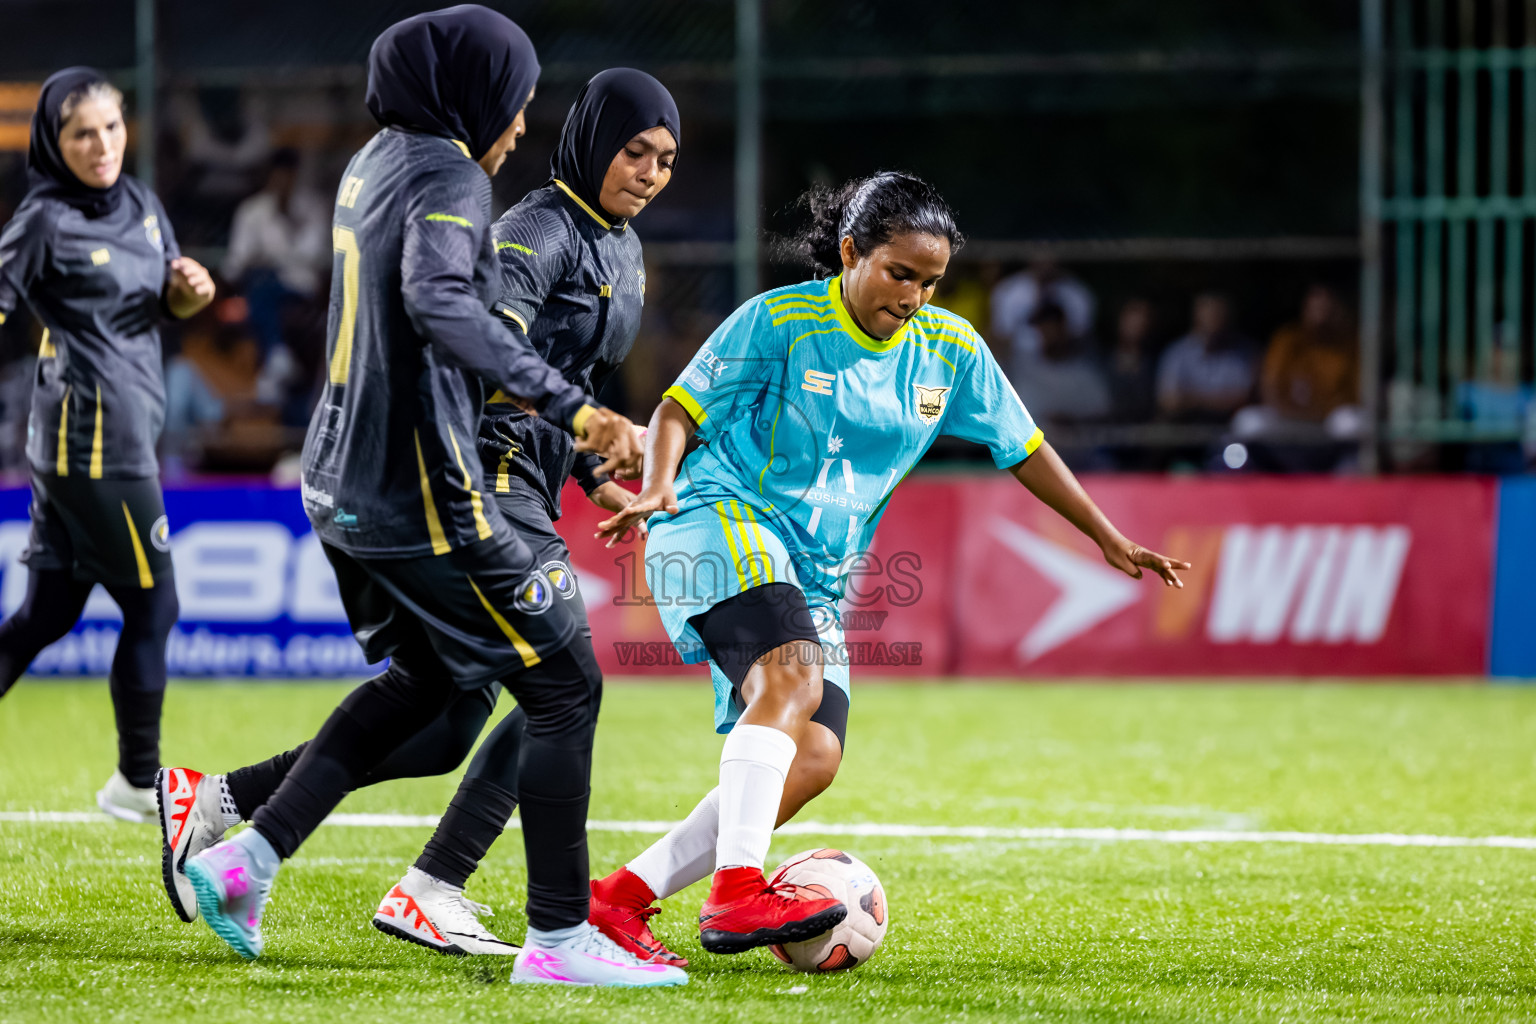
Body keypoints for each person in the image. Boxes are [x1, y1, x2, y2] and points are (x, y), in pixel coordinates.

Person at [152, 9, 678, 988]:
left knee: (438, 705)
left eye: (667, 158)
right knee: (561, 682)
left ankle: (236, 840)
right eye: (511, 102)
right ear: (471, 93)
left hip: (354, 477)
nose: (518, 126)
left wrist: (590, 458)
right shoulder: (461, 183)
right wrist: (585, 417)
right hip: (433, 483)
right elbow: (457, 318)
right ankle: (547, 934)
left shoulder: (380, 160)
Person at [583, 171, 1189, 965]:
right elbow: (676, 409)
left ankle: (616, 902)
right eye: (899, 273)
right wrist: (658, 485)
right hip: (716, 516)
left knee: (816, 757)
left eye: (930, 281)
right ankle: (737, 892)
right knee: (792, 680)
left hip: (817, 570)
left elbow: (1024, 447)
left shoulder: (950, 350)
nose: (912, 295)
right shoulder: (779, 323)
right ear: (850, 254)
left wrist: (1106, 535)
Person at [0, 68, 215, 821]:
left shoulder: (141, 201)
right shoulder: (43, 218)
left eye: (112, 128)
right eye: (81, 133)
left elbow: (169, 300)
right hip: (92, 444)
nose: (102, 146)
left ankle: (133, 778)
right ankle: (137, 779)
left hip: (114, 434)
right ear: (54, 144)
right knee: (155, 606)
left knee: (46, 617)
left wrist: (191, 290)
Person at [1155, 291, 1260, 423]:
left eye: (1219, 314)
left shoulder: (1245, 353)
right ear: (1197, 316)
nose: (1214, 319)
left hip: (1232, 424)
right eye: (1210, 314)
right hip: (1185, 424)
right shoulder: (1177, 353)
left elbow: (1244, 398)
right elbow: (1169, 401)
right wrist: (1219, 400)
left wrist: (1193, 399)